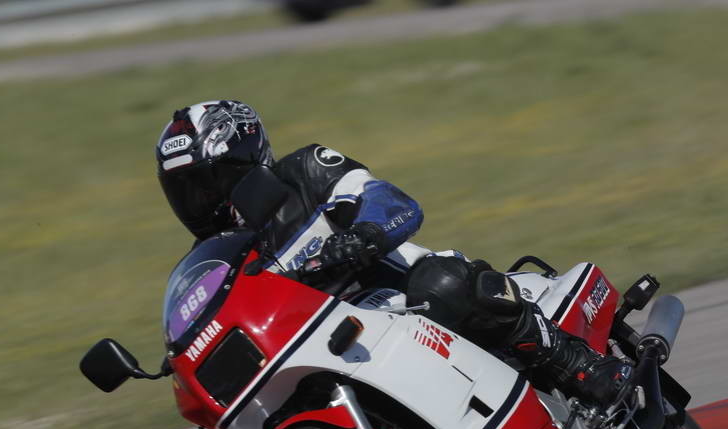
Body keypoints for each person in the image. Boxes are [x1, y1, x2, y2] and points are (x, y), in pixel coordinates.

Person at [156, 100, 630, 408]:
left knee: (442, 282)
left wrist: (363, 235)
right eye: (186, 193)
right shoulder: (219, 259)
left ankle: (578, 365)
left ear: (247, 160)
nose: (203, 203)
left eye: (210, 184)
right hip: (331, 348)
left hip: (402, 298)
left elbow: (389, 201)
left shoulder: (304, 172)